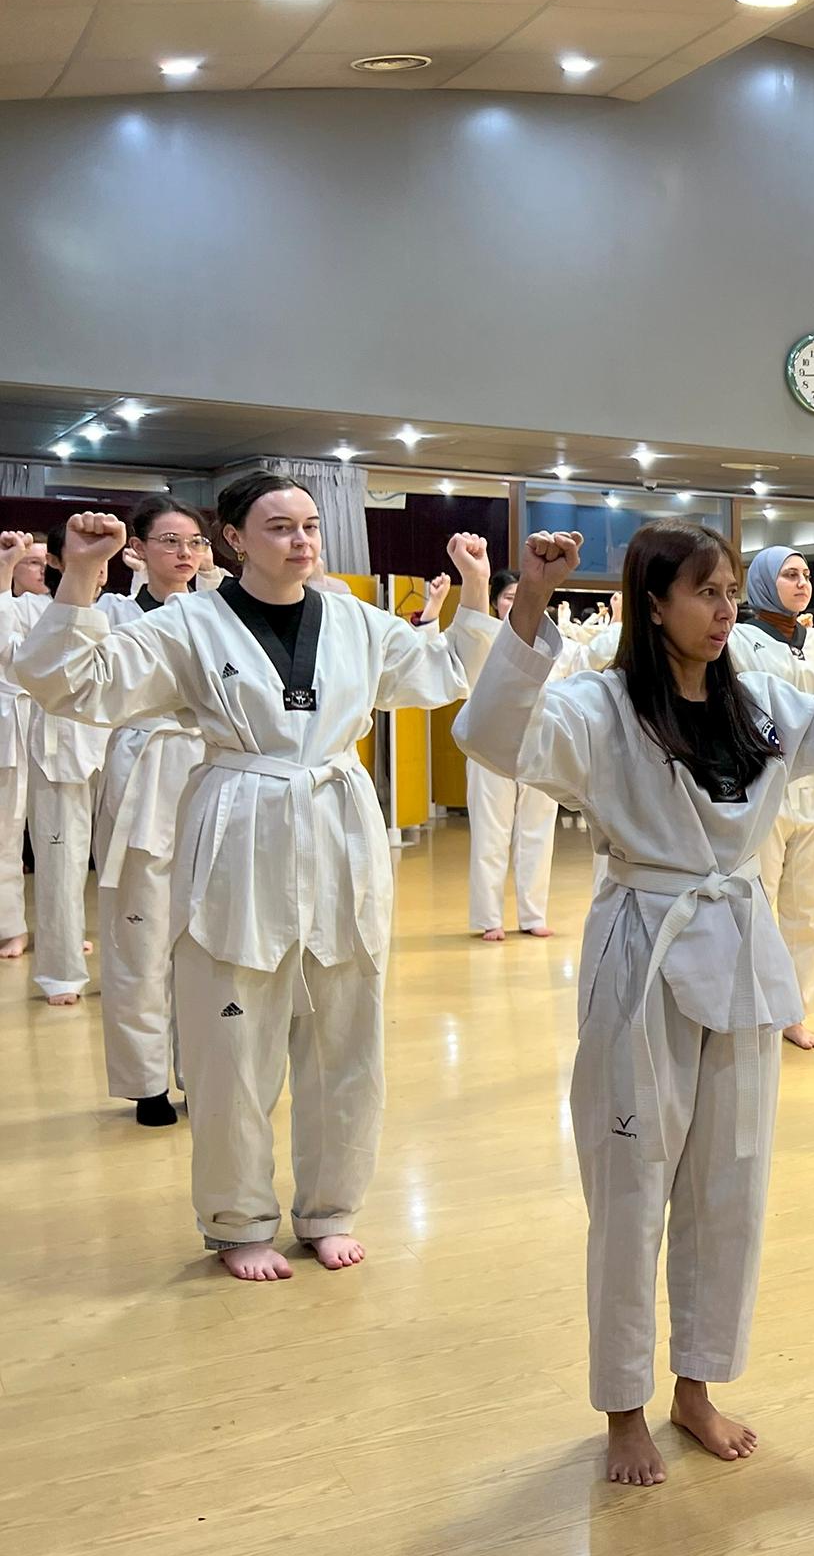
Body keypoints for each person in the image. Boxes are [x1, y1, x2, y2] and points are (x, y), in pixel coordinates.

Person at [458, 522, 814, 1485]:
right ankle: (622, 1402)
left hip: (741, 950)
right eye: (706, 593)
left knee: (732, 1180)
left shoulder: (758, 706)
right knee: (632, 1184)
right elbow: (496, 734)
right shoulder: (600, 707)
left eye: (728, 593)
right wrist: (533, 601)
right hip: (644, 942)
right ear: (655, 603)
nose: (725, 611)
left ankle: (697, 1385)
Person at [17, 475, 497, 1280]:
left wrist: (477, 585)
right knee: (230, 1040)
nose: (302, 540)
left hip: (337, 822)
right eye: (280, 527)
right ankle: (237, 1217)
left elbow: (444, 670)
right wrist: (79, 575)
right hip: (238, 826)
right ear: (235, 538)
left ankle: (330, 1206)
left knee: (347, 1033)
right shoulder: (189, 625)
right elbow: (68, 682)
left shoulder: (354, 618)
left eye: (310, 525)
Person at [89, 499, 215, 1122]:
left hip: (206, 767)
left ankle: (201, 1068)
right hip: (141, 766)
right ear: (137, 548)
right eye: (169, 540)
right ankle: (145, 1080)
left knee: (204, 932)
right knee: (138, 928)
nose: (185, 553)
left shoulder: (218, 613)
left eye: (194, 541)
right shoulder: (114, 612)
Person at [735, 546, 814, 1049]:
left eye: (805, 575)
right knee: (759, 903)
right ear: (762, 581)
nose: (802, 583)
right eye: (788, 575)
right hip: (763, 785)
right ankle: (755, 1004)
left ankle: (796, 1011)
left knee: (808, 907)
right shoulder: (738, 640)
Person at [0, 527, 114, 1003]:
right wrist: (6, 567)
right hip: (54, 745)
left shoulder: (119, 611)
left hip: (118, 748)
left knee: (128, 869)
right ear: (63, 565)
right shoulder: (30, 610)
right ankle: (61, 969)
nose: (100, 569)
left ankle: (133, 961)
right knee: (60, 861)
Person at [463, 570, 566, 943]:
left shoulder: (555, 641)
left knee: (537, 832)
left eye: (525, 595)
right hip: (490, 748)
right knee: (492, 833)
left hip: (538, 748)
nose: (516, 602)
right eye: (509, 596)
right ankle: (489, 917)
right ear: (495, 601)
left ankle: (532, 913)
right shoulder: (483, 637)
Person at [0, 534, 44, 960]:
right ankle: (11, 925)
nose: (38, 569)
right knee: (6, 831)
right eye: (30, 562)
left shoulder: (58, 607)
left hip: (46, 729)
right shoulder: (7, 606)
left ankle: (54, 931)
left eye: (43, 562)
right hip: (13, 725)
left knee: (52, 837)